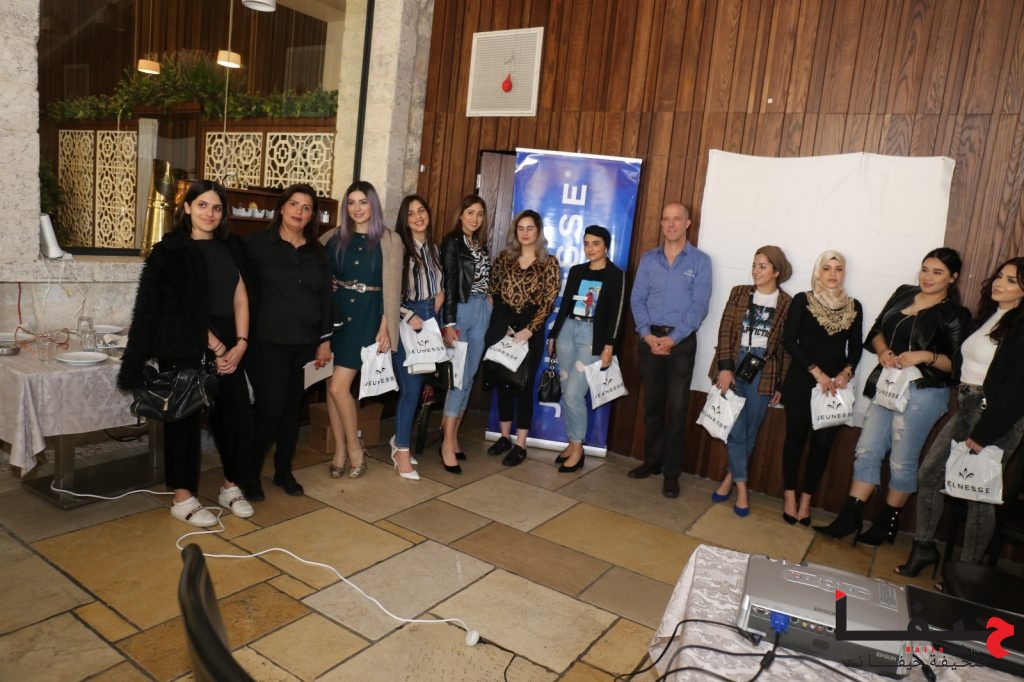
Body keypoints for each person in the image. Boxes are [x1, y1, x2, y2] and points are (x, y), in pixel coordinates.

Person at [119, 180, 255, 526]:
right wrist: (218, 346)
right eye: (203, 205)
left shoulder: (231, 248)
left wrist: (241, 343)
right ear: (188, 208)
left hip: (230, 342)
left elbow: (241, 296)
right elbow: (178, 307)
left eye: (217, 208)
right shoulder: (172, 251)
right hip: (185, 343)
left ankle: (231, 486)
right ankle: (182, 498)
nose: (210, 213)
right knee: (182, 420)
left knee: (236, 417)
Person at [815, 248, 971, 544]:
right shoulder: (903, 293)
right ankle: (850, 517)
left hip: (923, 394)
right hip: (887, 386)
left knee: (901, 461)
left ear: (953, 277)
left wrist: (925, 356)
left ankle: (887, 524)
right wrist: (883, 350)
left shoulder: (955, 314)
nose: (928, 277)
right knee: (866, 450)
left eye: (937, 272)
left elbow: (957, 366)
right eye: (925, 269)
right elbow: (876, 331)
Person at [896, 257, 1024, 578]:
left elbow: (1016, 390)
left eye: (1011, 280)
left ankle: (967, 572)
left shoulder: (1021, 328)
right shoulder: (991, 315)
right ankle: (924, 548)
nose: (1000, 283)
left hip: (995, 416)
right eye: (1000, 276)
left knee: (978, 494)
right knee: (929, 474)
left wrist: (984, 433)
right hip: (968, 406)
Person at [244, 184, 333, 498]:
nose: (299, 211)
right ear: (281, 208)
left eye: (307, 207)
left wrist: (325, 341)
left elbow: (326, 297)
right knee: (270, 409)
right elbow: (239, 291)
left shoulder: (317, 251)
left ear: (312, 215)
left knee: (292, 410)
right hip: (266, 343)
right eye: (294, 204)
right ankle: (249, 475)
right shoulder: (255, 244)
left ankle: (283, 471)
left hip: (305, 344)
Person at [628, 203, 712, 498]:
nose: (671, 224)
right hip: (650, 340)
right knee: (653, 406)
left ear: (688, 223)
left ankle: (671, 473)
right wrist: (647, 335)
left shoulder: (700, 261)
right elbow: (637, 299)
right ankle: (652, 461)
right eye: (666, 219)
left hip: (681, 343)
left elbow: (699, 306)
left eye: (677, 219)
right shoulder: (648, 259)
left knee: (676, 410)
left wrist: (673, 339)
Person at [324, 181, 402, 479]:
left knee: (338, 387)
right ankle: (340, 450)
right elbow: (317, 272)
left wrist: (386, 325)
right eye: (351, 202)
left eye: (363, 202)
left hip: (367, 317)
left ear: (373, 205)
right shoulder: (332, 237)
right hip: (336, 317)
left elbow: (393, 288)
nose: (357, 208)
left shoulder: (389, 240)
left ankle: (355, 448)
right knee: (332, 388)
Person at [780, 251, 863, 525]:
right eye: (827, 268)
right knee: (795, 438)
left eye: (838, 269)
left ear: (844, 273)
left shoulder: (854, 306)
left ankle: (806, 501)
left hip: (834, 387)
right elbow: (789, 340)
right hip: (802, 380)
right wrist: (817, 372)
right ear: (818, 271)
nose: (832, 274)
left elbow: (856, 347)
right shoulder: (803, 300)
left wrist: (847, 372)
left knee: (822, 445)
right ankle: (789, 497)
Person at [709, 246, 793, 515]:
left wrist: (781, 384)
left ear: (776, 272)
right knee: (735, 428)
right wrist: (724, 368)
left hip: (764, 371)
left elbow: (786, 349)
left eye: (763, 266)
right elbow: (724, 331)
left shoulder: (787, 303)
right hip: (734, 363)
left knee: (749, 431)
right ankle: (743, 489)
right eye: (755, 265)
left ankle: (729, 480)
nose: (756, 271)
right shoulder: (739, 293)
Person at [546, 225, 626, 473]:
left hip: (592, 337)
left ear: (606, 246)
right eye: (586, 243)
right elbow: (565, 305)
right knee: (568, 392)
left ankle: (578, 448)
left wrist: (609, 345)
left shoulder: (616, 275)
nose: (590, 249)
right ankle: (572, 443)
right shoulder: (578, 271)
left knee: (573, 394)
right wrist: (553, 334)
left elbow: (618, 313)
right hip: (568, 331)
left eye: (596, 244)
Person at [484, 209, 561, 466]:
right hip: (504, 326)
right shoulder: (504, 259)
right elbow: (493, 292)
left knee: (523, 385)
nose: (525, 233)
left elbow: (548, 302)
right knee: (503, 383)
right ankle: (504, 438)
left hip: (531, 330)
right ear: (515, 232)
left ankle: (521, 444)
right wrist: (502, 326)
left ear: (538, 231)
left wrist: (530, 329)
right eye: (521, 228)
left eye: (530, 228)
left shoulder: (549, 263)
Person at [391, 195, 445, 478]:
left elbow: (436, 282)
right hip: (409, 321)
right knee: (410, 390)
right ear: (405, 220)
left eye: (421, 210)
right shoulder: (399, 249)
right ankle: (401, 449)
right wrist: (408, 315)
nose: (417, 217)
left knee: (420, 387)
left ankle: (399, 440)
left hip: (431, 320)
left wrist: (441, 291)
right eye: (410, 213)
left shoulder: (433, 249)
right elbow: (388, 291)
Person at [439, 196, 491, 465]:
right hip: (460, 310)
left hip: (482, 310)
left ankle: (453, 436)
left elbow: (483, 279)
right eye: (470, 212)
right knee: (457, 377)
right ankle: (447, 444)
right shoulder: (452, 242)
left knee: (469, 376)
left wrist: (489, 301)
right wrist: (448, 323)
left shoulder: (480, 246)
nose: (475, 218)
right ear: (461, 214)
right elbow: (449, 283)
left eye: (480, 214)